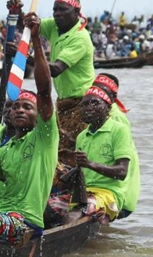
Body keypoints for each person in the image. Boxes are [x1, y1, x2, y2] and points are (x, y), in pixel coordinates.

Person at [0, 13, 58, 245]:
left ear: (39, 116)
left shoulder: (44, 137)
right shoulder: (4, 150)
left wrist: (36, 40)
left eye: (27, 107)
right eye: (15, 107)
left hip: (24, 220)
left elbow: (45, 90)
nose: (19, 110)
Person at [59, 85, 140, 223]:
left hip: (109, 193)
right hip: (85, 192)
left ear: (108, 108)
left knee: (76, 213)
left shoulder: (119, 130)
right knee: (47, 210)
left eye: (95, 103)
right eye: (84, 104)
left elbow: (121, 172)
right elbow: (81, 172)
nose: (88, 107)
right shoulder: (82, 136)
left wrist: (89, 164)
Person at [34, 0, 94, 139]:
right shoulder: (54, 26)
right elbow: (31, 27)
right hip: (63, 102)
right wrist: (18, 13)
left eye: (62, 10)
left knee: (73, 148)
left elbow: (55, 69)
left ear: (76, 13)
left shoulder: (80, 37)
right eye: (55, 10)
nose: (57, 14)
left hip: (82, 102)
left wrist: (25, 57)